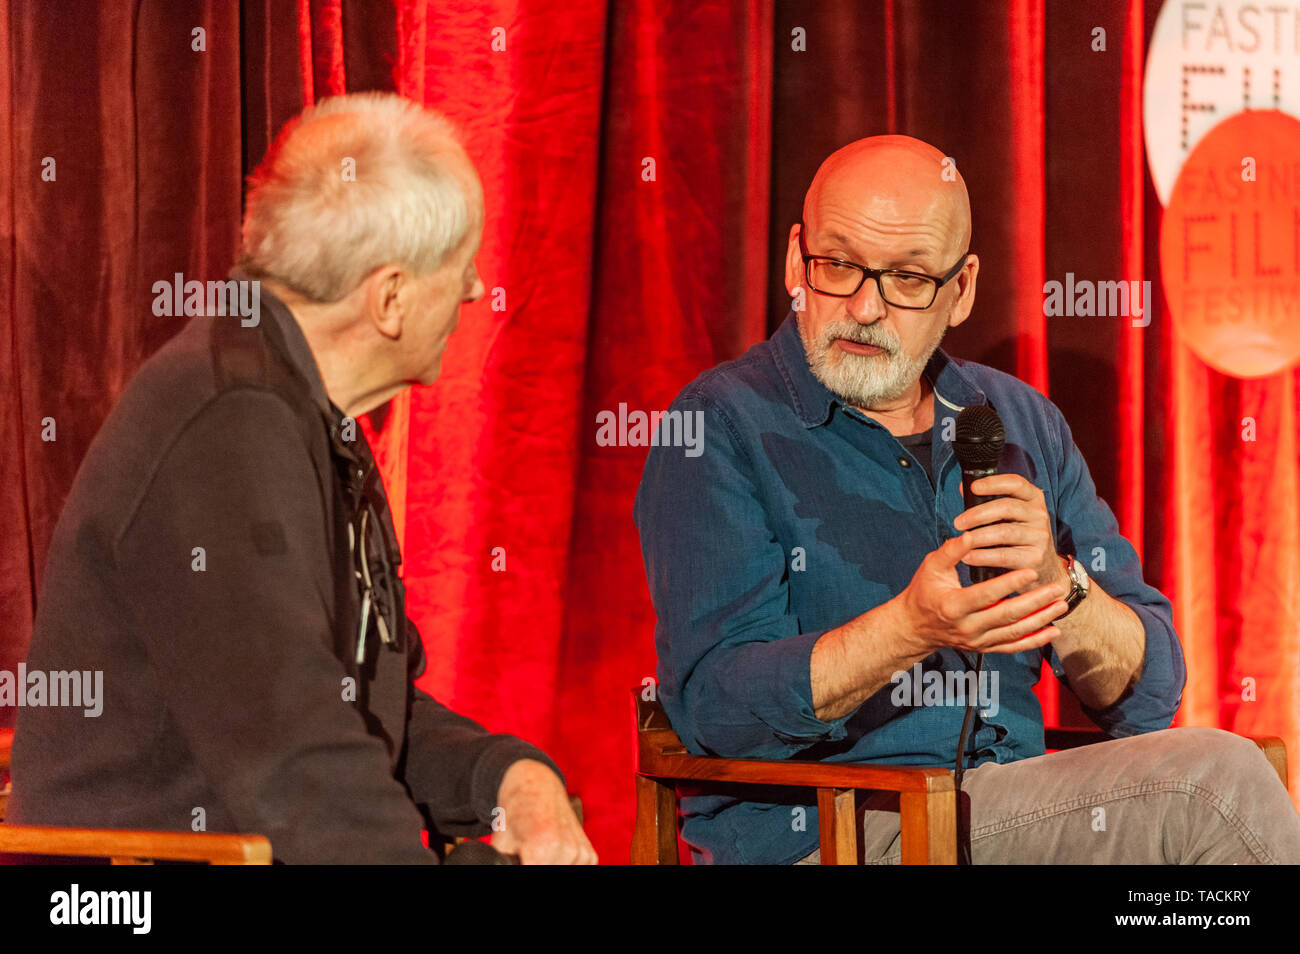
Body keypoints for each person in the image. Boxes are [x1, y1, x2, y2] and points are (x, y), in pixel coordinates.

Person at [633, 135, 1300, 865]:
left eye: (910, 278)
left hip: (1009, 810)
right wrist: (906, 630)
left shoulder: (1018, 422)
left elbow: (1147, 695)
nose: (864, 305)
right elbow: (715, 711)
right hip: (838, 834)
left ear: (962, 289)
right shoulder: (721, 426)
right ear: (797, 260)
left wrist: (1063, 587)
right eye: (839, 265)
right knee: (1216, 789)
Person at [9, 92, 596, 864]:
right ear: (389, 297)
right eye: (461, 267)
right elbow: (299, 761)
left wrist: (508, 777)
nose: (473, 291)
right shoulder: (226, 422)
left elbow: (362, 709)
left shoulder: (309, 410)